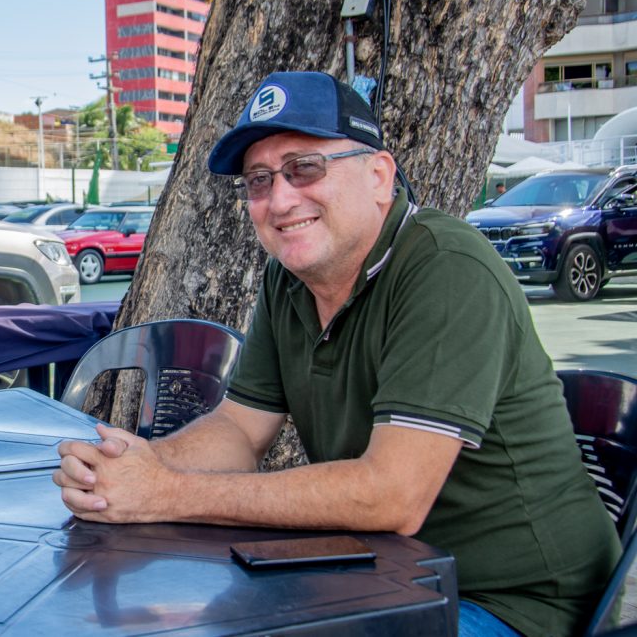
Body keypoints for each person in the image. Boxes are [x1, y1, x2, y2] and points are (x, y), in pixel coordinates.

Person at [54, 72, 620, 636]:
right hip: (384, 577)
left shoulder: (448, 269)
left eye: (305, 168)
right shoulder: (288, 281)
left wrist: (167, 493)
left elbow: (391, 496)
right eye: (258, 180)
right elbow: (240, 430)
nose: (279, 199)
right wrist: (138, 466)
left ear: (379, 176)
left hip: (513, 603)